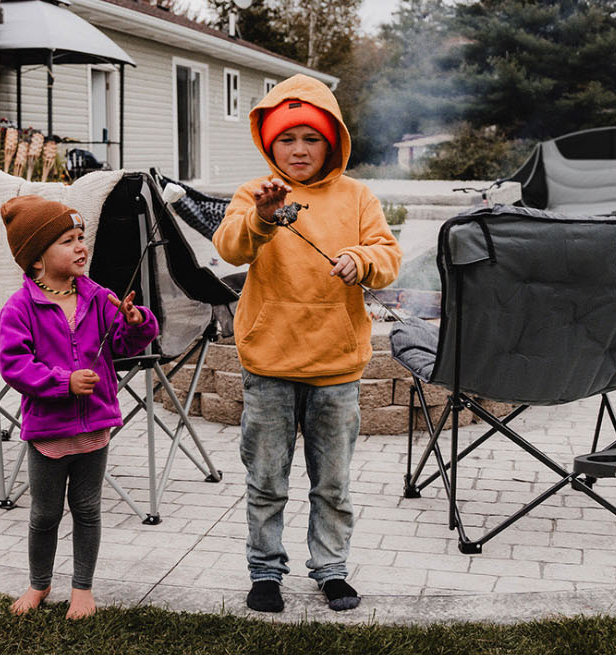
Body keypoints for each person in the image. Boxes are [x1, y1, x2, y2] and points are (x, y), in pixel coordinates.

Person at [212, 74, 401, 614]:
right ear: (270, 143)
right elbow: (229, 247)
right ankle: (265, 572)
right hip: (269, 361)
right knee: (267, 479)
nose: (298, 150)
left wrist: (363, 259)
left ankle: (332, 569)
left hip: (336, 367)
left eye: (311, 138)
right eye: (287, 139)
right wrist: (263, 218)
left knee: (333, 484)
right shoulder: (256, 194)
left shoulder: (357, 196)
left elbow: (387, 257)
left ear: (333, 141)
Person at [0, 195, 159, 620]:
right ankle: (39, 583)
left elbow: (121, 345)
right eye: (68, 240)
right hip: (49, 431)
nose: (81, 246)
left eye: (82, 237)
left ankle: (82, 588)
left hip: (94, 427)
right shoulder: (19, 308)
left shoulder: (99, 297)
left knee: (87, 509)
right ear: (36, 259)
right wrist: (62, 383)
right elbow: (14, 365)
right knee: (45, 513)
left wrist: (136, 322)